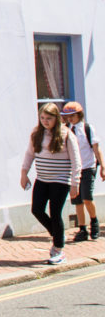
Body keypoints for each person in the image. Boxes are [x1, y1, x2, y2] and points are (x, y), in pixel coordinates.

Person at [21, 101, 82, 264]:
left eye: (48, 118)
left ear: (56, 118)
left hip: (60, 181)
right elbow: (29, 154)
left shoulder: (66, 134)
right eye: (42, 118)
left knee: (55, 213)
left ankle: (58, 250)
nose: (45, 121)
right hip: (42, 179)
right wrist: (24, 173)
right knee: (37, 210)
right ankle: (58, 234)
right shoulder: (37, 133)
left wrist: (76, 183)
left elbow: (76, 161)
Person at [61, 102, 103, 241]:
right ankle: (83, 229)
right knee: (77, 200)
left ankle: (94, 222)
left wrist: (103, 166)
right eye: (68, 116)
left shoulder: (87, 128)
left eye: (72, 116)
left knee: (87, 197)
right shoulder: (66, 129)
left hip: (88, 167)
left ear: (79, 115)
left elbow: (96, 148)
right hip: (74, 170)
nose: (70, 119)